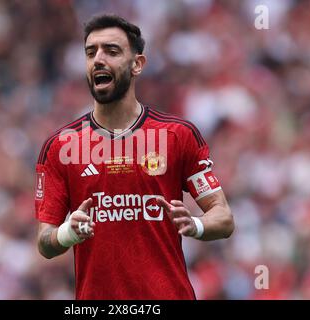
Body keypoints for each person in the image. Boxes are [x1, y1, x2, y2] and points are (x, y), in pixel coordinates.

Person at [35, 14, 234, 300]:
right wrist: (68, 233)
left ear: (137, 64)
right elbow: (45, 241)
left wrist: (196, 224)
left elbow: (223, 217)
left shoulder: (177, 135)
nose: (98, 59)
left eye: (112, 51)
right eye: (91, 53)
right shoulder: (60, 147)